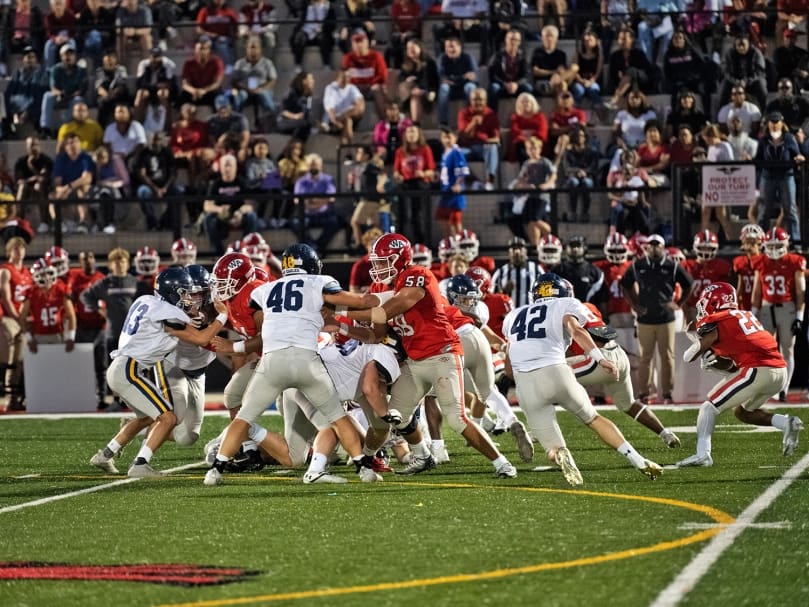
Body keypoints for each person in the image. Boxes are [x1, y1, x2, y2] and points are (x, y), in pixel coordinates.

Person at [203, 243, 384, 486]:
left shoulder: (264, 290)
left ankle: (215, 470)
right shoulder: (318, 283)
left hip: (272, 363)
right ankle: (364, 468)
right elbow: (362, 302)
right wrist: (382, 299)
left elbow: (267, 319)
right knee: (338, 417)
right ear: (311, 265)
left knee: (243, 417)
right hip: (306, 361)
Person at [346, 233, 519, 479]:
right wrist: (342, 321)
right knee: (397, 414)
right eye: (376, 262)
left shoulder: (417, 275)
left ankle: (502, 463)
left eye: (384, 262)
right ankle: (423, 456)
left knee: (457, 419)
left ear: (400, 259)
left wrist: (342, 312)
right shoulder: (382, 286)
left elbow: (385, 312)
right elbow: (377, 328)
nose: (378, 268)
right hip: (414, 360)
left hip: (442, 354)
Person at [502, 273, 662, 486]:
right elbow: (576, 330)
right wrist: (599, 359)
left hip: (526, 384)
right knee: (593, 419)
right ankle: (637, 459)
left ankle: (561, 453)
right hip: (556, 371)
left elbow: (509, 365)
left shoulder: (513, 315)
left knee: (552, 448)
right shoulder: (565, 304)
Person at [90, 267, 229, 477]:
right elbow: (201, 339)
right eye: (184, 293)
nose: (189, 299)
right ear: (172, 292)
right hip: (130, 371)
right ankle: (140, 464)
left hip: (123, 368)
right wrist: (223, 316)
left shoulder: (146, 300)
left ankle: (105, 455)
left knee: (148, 418)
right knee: (168, 418)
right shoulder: (169, 313)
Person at [676, 282, 803, 467]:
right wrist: (714, 361)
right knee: (743, 413)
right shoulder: (745, 315)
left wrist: (695, 340)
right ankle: (786, 423)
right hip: (779, 372)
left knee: (708, 407)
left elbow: (689, 357)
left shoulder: (717, 319)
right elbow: (733, 367)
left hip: (758, 369)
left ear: (715, 301)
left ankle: (703, 454)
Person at [567, 302, 681, 447]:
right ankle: (666, 434)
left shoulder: (562, 313)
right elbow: (604, 332)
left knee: (552, 380)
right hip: (618, 353)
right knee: (629, 404)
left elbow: (577, 344)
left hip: (597, 359)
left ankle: (540, 432)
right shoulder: (587, 305)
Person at [621, 233, 694, 404]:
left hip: (665, 318)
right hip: (645, 318)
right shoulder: (637, 265)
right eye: (651, 245)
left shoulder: (671, 266)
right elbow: (625, 284)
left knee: (667, 357)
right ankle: (643, 393)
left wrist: (679, 303)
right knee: (645, 357)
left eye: (657, 244)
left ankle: (667, 393)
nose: (654, 248)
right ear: (647, 247)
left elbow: (689, 283)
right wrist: (634, 306)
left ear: (663, 247)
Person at [80, 248, 143, 411]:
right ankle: (117, 400)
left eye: (122, 261)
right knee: (114, 369)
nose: (120, 264)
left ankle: (134, 399)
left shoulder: (134, 282)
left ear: (128, 264)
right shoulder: (105, 283)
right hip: (113, 332)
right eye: (116, 262)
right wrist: (99, 309)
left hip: (133, 335)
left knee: (135, 368)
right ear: (110, 265)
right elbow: (85, 296)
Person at [751, 227, 806, 402]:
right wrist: (753, 314)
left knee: (787, 349)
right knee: (765, 350)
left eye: (778, 245)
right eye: (771, 245)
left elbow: (800, 293)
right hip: (767, 308)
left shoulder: (795, 261)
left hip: (787, 307)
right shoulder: (760, 261)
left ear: (786, 243)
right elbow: (757, 292)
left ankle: (784, 388)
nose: (774, 249)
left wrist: (799, 316)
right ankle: (768, 387)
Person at [755, 111, 805, 245]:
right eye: (772, 122)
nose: (774, 125)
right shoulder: (764, 140)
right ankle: (761, 241)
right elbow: (758, 159)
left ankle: (796, 241)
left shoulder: (789, 139)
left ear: (782, 124)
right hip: (768, 176)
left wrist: (799, 158)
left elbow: (797, 154)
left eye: (777, 122)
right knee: (764, 210)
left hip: (786, 176)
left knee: (790, 209)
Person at [69, 251, 106, 409]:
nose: (88, 261)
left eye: (90, 257)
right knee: (84, 366)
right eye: (84, 259)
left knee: (101, 366)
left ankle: (102, 397)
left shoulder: (101, 278)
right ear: (80, 262)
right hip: (83, 327)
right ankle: (85, 397)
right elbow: (71, 302)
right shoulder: (76, 279)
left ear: (94, 259)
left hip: (100, 327)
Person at [202, 154, 258, 256]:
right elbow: (207, 206)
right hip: (221, 216)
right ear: (221, 168)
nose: (227, 169)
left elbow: (250, 205)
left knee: (252, 216)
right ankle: (218, 253)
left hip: (238, 215)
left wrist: (240, 212)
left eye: (230, 165)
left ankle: (245, 250)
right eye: (225, 165)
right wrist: (219, 209)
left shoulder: (242, 182)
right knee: (208, 218)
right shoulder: (215, 184)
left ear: (235, 167)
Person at [19, 256, 76, 356]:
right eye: (42, 274)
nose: (47, 277)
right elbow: (22, 317)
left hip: (58, 334)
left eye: (49, 273)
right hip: (38, 336)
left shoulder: (61, 289)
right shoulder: (31, 293)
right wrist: (29, 338)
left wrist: (70, 337)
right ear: (36, 276)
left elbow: (71, 315)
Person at [0, 237, 32, 411]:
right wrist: (18, 317)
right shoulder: (6, 271)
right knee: (11, 356)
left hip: (22, 317)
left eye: (21, 248)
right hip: (9, 317)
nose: (19, 251)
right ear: (9, 252)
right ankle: (8, 396)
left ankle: (17, 395)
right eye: (15, 248)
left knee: (22, 358)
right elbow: (5, 298)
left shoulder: (27, 273)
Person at [293, 153, 346, 255]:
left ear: (320, 166)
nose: (313, 167)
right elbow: (297, 200)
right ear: (307, 166)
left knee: (334, 222)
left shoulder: (328, 179)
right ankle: (312, 247)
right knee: (295, 223)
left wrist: (311, 201)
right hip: (306, 214)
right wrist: (319, 201)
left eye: (316, 164)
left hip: (324, 214)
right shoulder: (301, 181)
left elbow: (331, 198)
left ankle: (318, 248)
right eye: (311, 165)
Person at [392, 124, 436, 245]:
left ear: (418, 134)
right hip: (405, 183)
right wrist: (397, 176)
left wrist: (422, 173)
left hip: (420, 182)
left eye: (413, 132)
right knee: (402, 214)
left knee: (417, 214)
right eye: (409, 132)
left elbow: (431, 170)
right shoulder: (400, 151)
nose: (411, 135)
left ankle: (420, 243)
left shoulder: (425, 149)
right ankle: (399, 243)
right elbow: (396, 170)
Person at [508, 136, 554, 247]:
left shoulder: (544, 162)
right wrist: (525, 185)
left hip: (541, 196)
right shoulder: (526, 164)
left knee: (535, 219)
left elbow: (553, 175)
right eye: (529, 149)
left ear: (539, 149)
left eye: (534, 148)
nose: (532, 151)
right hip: (530, 196)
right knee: (529, 221)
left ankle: (552, 235)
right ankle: (535, 244)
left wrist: (546, 185)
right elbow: (521, 178)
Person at [681, 229, 733, 323]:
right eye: (702, 248)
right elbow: (681, 293)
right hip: (691, 309)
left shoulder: (720, 266)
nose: (705, 251)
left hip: (713, 311)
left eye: (709, 248)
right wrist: (686, 313)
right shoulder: (687, 266)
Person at [134, 131, 182, 231]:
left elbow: (173, 173)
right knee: (142, 192)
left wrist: (165, 188)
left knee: (178, 192)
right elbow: (142, 175)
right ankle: (152, 222)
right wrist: (155, 189)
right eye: (152, 140)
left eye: (157, 140)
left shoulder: (167, 152)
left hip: (166, 185)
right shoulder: (143, 153)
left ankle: (166, 222)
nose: (155, 143)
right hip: (150, 185)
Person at [40, 42, 87, 137]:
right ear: (61, 56)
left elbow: (81, 90)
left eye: (71, 54)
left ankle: (66, 127)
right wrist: (60, 94)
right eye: (66, 54)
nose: (68, 57)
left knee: (77, 100)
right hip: (59, 96)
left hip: (73, 96)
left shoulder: (81, 71)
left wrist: (70, 95)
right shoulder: (55, 70)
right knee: (47, 96)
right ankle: (46, 128)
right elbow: (53, 88)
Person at [342, 28, 389, 119]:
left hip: (371, 87)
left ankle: (385, 120)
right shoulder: (348, 58)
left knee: (377, 89)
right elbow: (345, 77)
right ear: (352, 44)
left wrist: (369, 84)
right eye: (356, 41)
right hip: (356, 88)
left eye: (361, 41)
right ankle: (348, 123)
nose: (359, 44)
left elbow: (382, 76)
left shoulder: (376, 56)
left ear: (367, 42)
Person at [3, 46, 48, 134]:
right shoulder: (18, 74)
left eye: (32, 57)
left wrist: (28, 111)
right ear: (23, 60)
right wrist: (14, 112)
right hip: (18, 105)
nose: (29, 60)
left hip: (34, 105)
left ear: (36, 59)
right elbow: (9, 93)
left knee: (37, 91)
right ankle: (7, 125)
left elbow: (41, 94)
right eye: (27, 57)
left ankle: (38, 128)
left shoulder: (43, 74)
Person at [13, 136, 52, 234]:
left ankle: (44, 222)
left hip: (43, 189)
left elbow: (44, 178)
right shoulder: (21, 162)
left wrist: (31, 166)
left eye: (36, 145)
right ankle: (19, 221)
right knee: (22, 188)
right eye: (31, 145)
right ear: (26, 147)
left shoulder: (46, 161)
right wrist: (32, 179)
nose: (33, 147)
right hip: (26, 188)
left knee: (39, 185)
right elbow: (19, 181)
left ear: (39, 146)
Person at [487, 28, 532, 113]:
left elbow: (526, 75)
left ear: (519, 42)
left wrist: (516, 84)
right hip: (502, 85)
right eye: (511, 39)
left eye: (516, 40)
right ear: (506, 40)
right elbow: (493, 76)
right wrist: (505, 84)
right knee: (493, 88)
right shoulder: (497, 56)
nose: (513, 42)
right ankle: (492, 117)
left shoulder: (523, 57)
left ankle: (526, 116)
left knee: (528, 88)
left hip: (517, 86)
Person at [436, 35, 478, 127]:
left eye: (452, 47)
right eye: (447, 47)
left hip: (465, 86)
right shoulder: (442, 58)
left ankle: (470, 117)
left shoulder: (468, 57)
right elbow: (443, 77)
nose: (449, 50)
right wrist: (463, 77)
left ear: (459, 47)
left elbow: (473, 77)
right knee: (444, 88)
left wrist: (454, 79)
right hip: (451, 88)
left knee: (471, 87)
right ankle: (443, 122)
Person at [560, 125, 598, 224]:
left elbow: (594, 167)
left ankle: (584, 212)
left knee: (586, 183)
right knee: (574, 182)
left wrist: (585, 172)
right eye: (578, 136)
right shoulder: (568, 152)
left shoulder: (591, 151)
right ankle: (572, 212)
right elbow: (566, 167)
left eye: (582, 135)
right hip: (572, 176)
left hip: (587, 176)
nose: (580, 138)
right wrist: (577, 172)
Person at [436, 126, 469, 238]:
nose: (447, 140)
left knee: (455, 221)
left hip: (454, 194)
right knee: (443, 219)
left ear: (455, 138)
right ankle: (449, 244)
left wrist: (458, 184)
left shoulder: (456, 152)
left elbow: (462, 170)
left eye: (449, 137)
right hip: (446, 191)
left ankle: (460, 245)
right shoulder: (445, 153)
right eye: (444, 137)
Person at [718, 34, 767, 109]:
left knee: (761, 84)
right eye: (739, 45)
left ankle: (765, 111)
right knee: (724, 86)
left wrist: (747, 81)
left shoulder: (756, 53)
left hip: (752, 81)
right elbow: (725, 71)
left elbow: (760, 71)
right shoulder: (729, 53)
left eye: (743, 45)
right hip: (734, 81)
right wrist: (735, 81)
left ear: (748, 44)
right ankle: (720, 113)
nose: (741, 48)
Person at [398, 38, 439, 125]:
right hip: (408, 95)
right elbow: (401, 80)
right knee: (412, 93)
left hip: (428, 93)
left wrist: (422, 90)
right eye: (408, 48)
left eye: (413, 47)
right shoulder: (405, 65)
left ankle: (416, 125)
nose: (410, 50)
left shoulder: (430, 63)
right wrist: (407, 80)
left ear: (420, 47)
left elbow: (434, 82)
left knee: (416, 96)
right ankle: (415, 125)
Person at [553, 236, 604, 304]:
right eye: (572, 246)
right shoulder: (556, 270)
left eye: (578, 246)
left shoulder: (595, 272)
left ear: (584, 248)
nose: (575, 249)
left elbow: (603, 299)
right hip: (564, 310)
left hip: (587, 310)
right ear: (566, 248)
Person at [492, 236, 540, 308]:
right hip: (509, 316)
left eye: (520, 248)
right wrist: (503, 292)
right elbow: (491, 299)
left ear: (526, 251)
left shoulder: (537, 269)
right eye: (514, 248)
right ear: (508, 252)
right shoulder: (500, 272)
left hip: (530, 314)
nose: (517, 251)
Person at [530, 24, 577, 98]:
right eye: (546, 36)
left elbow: (562, 71)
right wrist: (553, 72)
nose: (549, 38)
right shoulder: (537, 52)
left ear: (556, 38)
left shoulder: (561, 54)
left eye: (551, 36)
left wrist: (557, 76)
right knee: (562, 85)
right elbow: (536, 71)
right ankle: (552, 85)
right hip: (542, 82)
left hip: (558, 81)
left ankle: (552, 85)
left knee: (574, 68)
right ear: (542, 38)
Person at [321, 68, 365, 145]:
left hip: (346, 117)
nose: (345, 80)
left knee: (350, 118)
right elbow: (329, 108)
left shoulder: (352, 88)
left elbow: (360, 102)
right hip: (333, 120)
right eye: (343, 77)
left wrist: (344, 116)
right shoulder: (330, 88)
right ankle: (349, 147)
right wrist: (335, 121)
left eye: (347, 77)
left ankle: (346, 147)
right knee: (348, 122)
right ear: (338, 77)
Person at [179, 36, 225, 110]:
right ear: (195, 50)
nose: (201, 52)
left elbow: (217, 83)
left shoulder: (217, 62)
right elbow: (185, 84)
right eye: (199, 49)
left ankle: (218, 120)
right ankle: (183, 120)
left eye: (204, 49)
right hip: (195, 93)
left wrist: (204, 91)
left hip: (209, 92)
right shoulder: (189, 64)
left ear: (209, 50)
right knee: (183, 96)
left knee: (219, 96)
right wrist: (194, 91)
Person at [289, 0, 336, 69]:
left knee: (324, 39)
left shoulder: (327, 7)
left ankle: (326, 65)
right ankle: (298, 65)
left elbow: (332, 24)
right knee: (299, 38)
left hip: (321, 31)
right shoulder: (306, 6)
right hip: (307, 30)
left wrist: (323, 29)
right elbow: (294, 5)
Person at [195, 0, 239, 72]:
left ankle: (229, 67)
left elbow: (237, 25)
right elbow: (198, 29)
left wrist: (237, 33)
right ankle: (202, 67)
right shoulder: (204, 11)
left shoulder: (229, 12)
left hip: (223, 38)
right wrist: (210, 34)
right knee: (204, 42)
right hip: (208, 36)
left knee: (222, 43)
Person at [508, 91, 548, 164]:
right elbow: (514, 131)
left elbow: (542, 132)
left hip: (537, 142)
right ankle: (526, 169)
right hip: (521, 143)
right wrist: (529, 135)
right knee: (521, 146)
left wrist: (527, 135)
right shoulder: (516, 117)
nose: (525, 104)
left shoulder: (540, 117)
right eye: (522, 102)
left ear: (533, 103)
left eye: (527, 102)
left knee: (533, 146)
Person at [276, 71, 315, 143]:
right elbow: (281, 110)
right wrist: (294, 116)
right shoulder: (291, 93)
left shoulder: (308, 96)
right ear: (304, 81)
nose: (313, 81)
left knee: (309, 121)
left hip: (300, 123)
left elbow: (307, 113)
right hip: (285, 122)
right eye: (311, 78)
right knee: (306, 122)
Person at [733, 223, 765, 312]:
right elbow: (740, 287)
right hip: (745, 305)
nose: (749, 244)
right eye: (747, 241)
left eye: (752, 241)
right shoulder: (740, 261)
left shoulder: (764, 260)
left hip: (764, 305)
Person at [349, 227, 384, 294]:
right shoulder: (359, 265)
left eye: (377, 243)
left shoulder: (387, 261)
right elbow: (353, 290)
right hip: (365, 299)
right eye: (372, 244)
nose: (375, 247)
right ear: (366, 245)